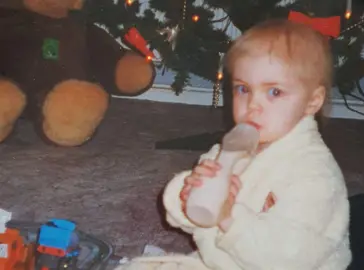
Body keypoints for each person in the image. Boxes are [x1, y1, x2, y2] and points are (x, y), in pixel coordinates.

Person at [116, 18, 351, 270]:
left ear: (312, 102)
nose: (253, 105)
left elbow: (290, 258)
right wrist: (186, 194)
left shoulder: (314, 173)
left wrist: (229, 218)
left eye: (274, 92)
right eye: (243, 89)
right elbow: (193, 217)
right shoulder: (228, 150)